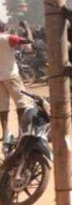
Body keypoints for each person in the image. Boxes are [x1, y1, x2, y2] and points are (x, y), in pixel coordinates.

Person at [0, 21, 34, 154]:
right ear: (3, 28)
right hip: (11, 75)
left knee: (3, 107)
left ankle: (5, 132)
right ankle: (21, 132)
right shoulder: (8, 38)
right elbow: (29, 40)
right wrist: (26, 26)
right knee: (21, 104)